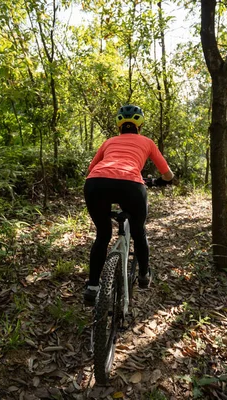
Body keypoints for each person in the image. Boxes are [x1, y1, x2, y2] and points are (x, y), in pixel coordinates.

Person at [83, 104, 174, 306]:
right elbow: (167, 174)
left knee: (103, 235)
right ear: (140, 125)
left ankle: (93, 286)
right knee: (138, 231)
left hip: (96, 183)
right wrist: (162, 181)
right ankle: (143, 275)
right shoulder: (147, 142)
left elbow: (91, 168)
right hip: (131, 185)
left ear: (119, 126)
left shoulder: (109, 142)